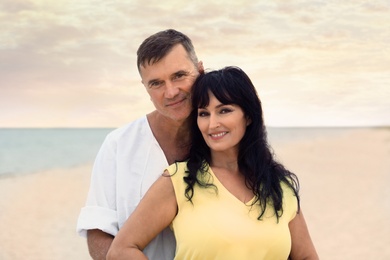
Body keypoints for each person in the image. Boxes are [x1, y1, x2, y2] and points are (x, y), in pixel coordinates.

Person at [106, 66, 319, 260]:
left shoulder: (280, 187)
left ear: (248, 116)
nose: (212, 124)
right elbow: (121, 250)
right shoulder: (179, 181)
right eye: (204, 114)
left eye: (224, 110)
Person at [76, 29, 204, 260]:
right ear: (145, 87)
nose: (171, 92)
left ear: (200, 71)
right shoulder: (118, 145)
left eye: (179, 76)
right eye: (156, 83)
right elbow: (98, 230)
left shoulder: (226, 139)